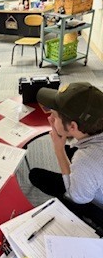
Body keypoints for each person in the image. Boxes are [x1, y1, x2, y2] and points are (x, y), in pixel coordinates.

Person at [29, 82, 103, 231]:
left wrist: (58, 149)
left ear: (73, 127)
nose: (50, 118)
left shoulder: (85, 160)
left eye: (54, 116)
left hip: (94, 205)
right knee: (72, 151)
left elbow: (77, 198)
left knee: (36, 175)